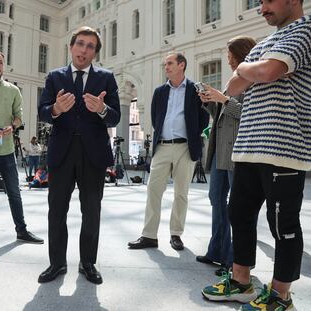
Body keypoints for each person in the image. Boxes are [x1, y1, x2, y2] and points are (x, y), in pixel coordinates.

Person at [202, 1, 311, 310]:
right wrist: (251, 70)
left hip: (283, 146)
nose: (262, 7)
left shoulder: (305, 31)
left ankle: (280, 297)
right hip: (249, 145)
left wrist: (247, 67)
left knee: (282, 224)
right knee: (238, 213)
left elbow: (267, 71)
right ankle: (241, 282)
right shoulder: (264, 43)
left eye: (268, 0)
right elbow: (234, 86)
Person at [37, 26, 120, 285]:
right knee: (56, 211)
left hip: (93, 154)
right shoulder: (54, 77)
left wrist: (103, 109)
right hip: (62, 153)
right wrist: (56, 109)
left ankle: (88, 263)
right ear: (71, 46)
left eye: (90, 46)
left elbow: (116, 115)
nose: (84, 50)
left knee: (91, 210)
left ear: (95, 52)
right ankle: (57, 263)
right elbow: (42, 112)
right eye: (80, 44)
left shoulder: (106, 78)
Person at [128, 52, 209, 251]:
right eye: (165, 64)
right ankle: (149, 236)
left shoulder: (195, 89)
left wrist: (191, 135)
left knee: (181, 193)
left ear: (182, 65)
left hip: (185, 147)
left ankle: (176, 234)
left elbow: (204, 118)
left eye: (170, 63)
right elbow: (156, 118)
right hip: (162, 146)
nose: (166, 67)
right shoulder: (159, 91)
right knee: (153, 190)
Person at [195, 36, 256, 276]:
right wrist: (210, 102)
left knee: (236, 208)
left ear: (242, 54)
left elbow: (249, 114)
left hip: (238, 152)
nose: (228, 59)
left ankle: (234, 260)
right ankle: (216, 252)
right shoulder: (233, 79)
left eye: (231, 55)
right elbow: (223, 113)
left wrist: (224, 99)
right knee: (216, 202)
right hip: (221, 152)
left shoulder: (253, 79)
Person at [0, 48, 44, 244]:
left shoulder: (14, 90)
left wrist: (12, 125)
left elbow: (19, 116)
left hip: (6, 149)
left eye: (0, 62)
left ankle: (21, 231)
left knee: (14, 191)